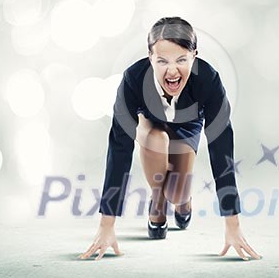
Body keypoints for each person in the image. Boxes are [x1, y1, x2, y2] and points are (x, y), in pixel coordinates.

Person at [78, 17, 261, 261]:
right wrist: (106, 225)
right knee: (157, 139)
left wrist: (233, 225)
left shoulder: (209, 80)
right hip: (151, 124)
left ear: (194, 55)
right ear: (150, 56)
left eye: (181, 60)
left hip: (188, 126)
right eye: (162, 60)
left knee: (177, 193)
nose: (172, 70)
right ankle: (157, 199)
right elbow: (119, 148)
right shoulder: (133, 79)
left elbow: (221, 147)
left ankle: (181, 202)